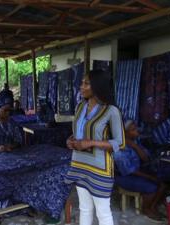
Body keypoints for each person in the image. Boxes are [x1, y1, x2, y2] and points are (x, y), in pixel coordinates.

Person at [65, 70, 125, 225]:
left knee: (102, 212)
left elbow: (120, 142)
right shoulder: (79, 107)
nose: (81, 86)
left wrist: (91, 143)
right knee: (84, 209)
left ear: (97, 86)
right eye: (82, 83)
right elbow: (78, 133)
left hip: (99, 169)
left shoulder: (111, 111)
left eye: (86, 83)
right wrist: (70, 141)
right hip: (79, 164)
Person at [113, 121, 165, 221]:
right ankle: (146, 209)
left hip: (137, 171)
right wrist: (150, 177)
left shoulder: (134, 141)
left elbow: (146, 158)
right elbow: (129, 171)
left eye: (136, 128)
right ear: (125, 133)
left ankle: (152, 207)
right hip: (124, 177)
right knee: (152, 186)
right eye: (133, 130)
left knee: (163, 182)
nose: (137, 131)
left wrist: (134, 146)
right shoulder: (118, 150)